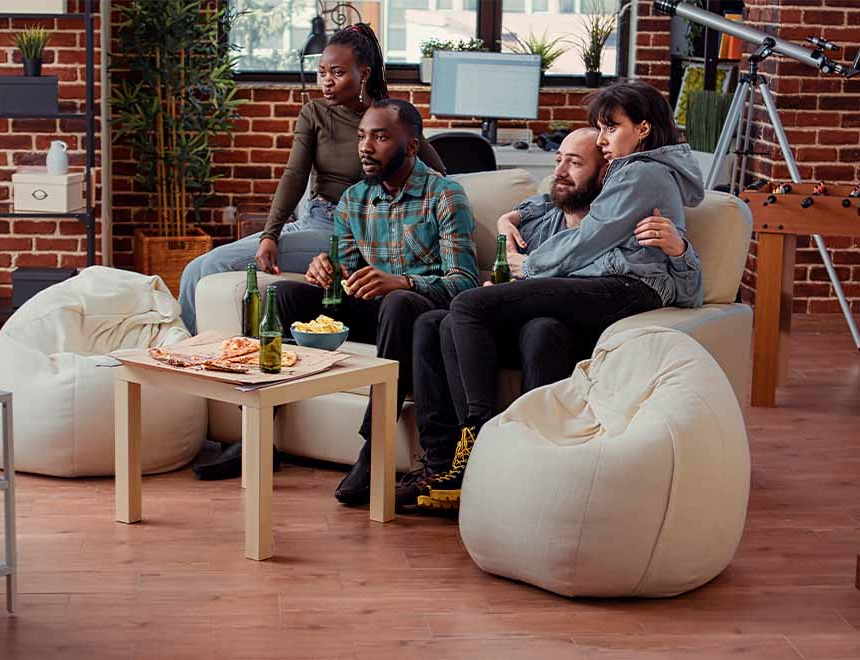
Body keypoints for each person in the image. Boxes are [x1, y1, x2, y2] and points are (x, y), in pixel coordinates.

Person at [398, 80, 706, 512]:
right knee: (447, 318)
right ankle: (448, 464)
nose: (604, 138)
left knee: (467, 305)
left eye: (610, 128)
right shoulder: (634, 173)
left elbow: (591, 237)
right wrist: (517, 217)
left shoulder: (642, 172)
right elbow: (557, 207)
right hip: (611, 287)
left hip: (627, 289)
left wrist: (529, 267)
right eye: (599, 129)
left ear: (643, 128)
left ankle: (483, 443)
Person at [273, 99, 478, 506]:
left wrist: (400, 282)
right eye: (363, 135)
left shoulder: (445, 195)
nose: (365, 146)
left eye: (381, 137)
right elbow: (348, 270)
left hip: (419, 310)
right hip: (376, 311)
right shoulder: (353, 199)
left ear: (412, 146)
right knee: (287, 294)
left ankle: (373, 447)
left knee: (399, 302)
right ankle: (263, 426)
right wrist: (325, 266)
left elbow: (464, 282)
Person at [177, 24, 445, 335]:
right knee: (197, 267)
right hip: (311, 218)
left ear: (364, 74)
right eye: (322, 73)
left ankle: (206, 360)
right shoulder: (315, 113)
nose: (326, 82)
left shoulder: (390, 119)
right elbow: (294, 175)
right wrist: (269, 235)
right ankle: (186, 355)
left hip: (347, 233)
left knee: (213, 266)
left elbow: (438, 174)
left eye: (337, 73)